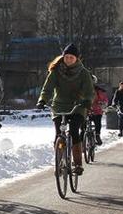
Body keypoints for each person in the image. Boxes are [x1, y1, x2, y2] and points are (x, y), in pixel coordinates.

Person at [35, 43, 94, 175]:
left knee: (74, 130)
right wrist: (42, 100)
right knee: (58, 134)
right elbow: (47, 88)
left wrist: (87, 101)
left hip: (77, 106)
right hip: (59, 106)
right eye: (66, 57)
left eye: (71, 57)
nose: (68, 60)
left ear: (77, 59)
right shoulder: (56, 71)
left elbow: (89, 91)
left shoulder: (83, 73)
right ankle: (59, 162)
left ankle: (78, 163)